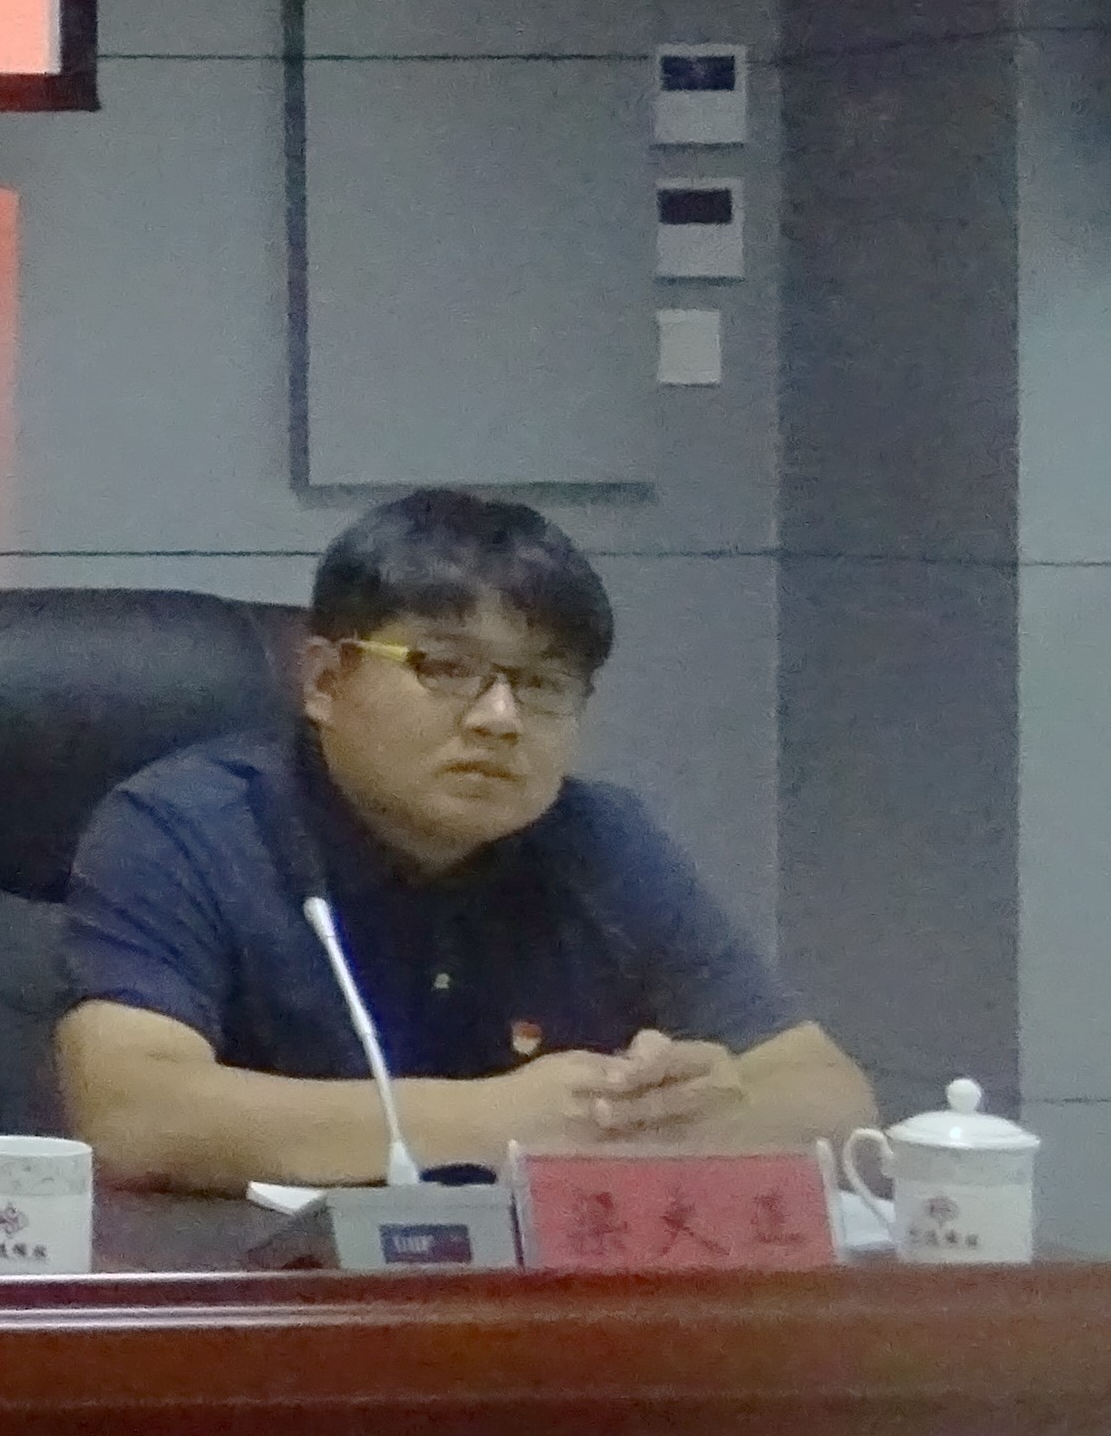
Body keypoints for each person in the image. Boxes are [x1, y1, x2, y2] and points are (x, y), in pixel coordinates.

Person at [61, 488, 874, 1191]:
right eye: (445, 668)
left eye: (543, 683)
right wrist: (497, 1121)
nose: (499, 718)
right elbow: (133, 1111)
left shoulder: (600, 840)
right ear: (325, 680)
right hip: (266, 1298)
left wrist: (684, 1113)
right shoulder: (188, 829)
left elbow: (833, 1103)